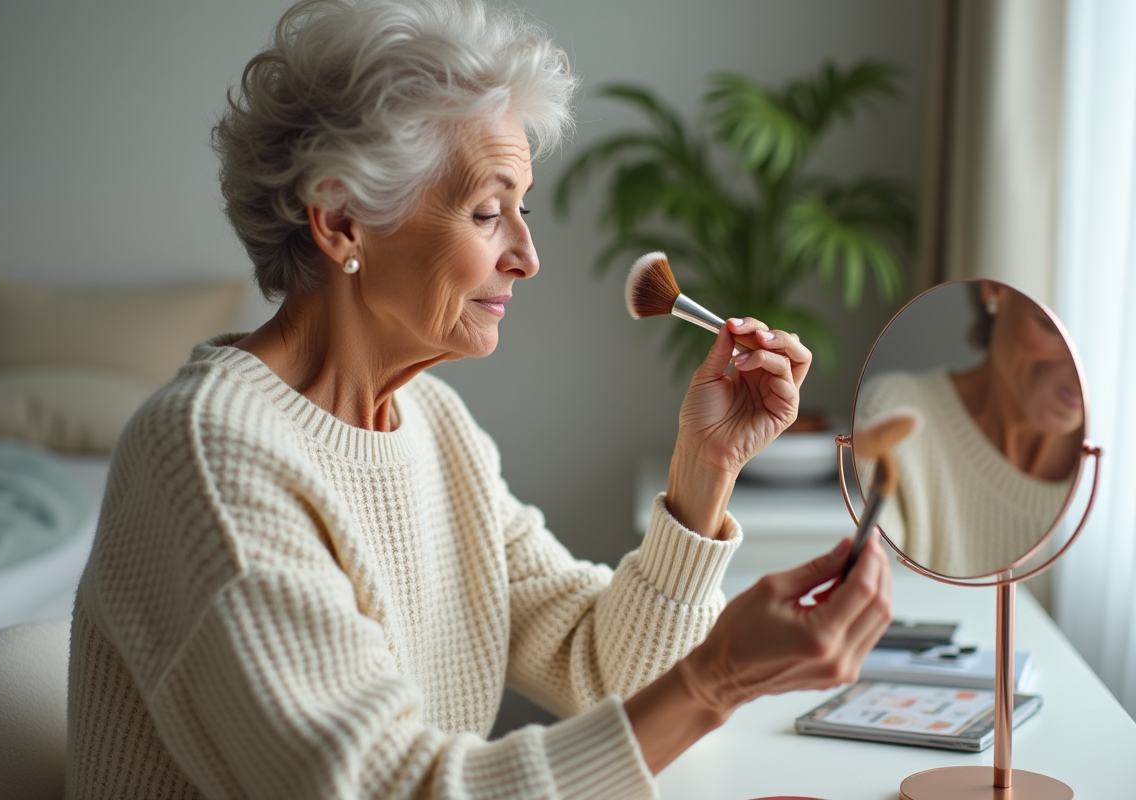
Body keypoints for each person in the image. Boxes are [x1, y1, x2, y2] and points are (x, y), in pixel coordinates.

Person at [66, 1, 891, 797]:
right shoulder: (209, 454)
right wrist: (716, 681)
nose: (527, 255)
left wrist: (705, 466)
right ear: (342, 222)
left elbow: (602, 666)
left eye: (520, 209)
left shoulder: (431, 423)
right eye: (488, 212)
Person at [855, 281, 1084, 577]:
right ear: (994, 291)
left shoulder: (1119, 469)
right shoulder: (896, 413)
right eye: (1051, 327)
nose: (1077, 367)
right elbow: (878, 583)